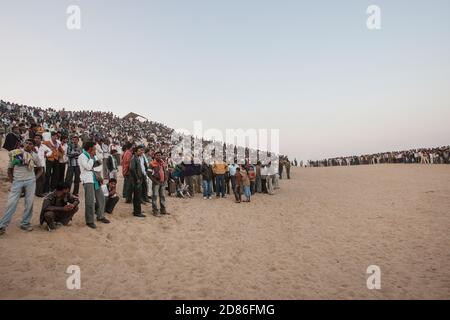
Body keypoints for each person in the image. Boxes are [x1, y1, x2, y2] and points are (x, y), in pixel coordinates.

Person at [0, 139, 43, 235]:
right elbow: (9, 170)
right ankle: (2, 225)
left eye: (30, 144)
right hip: (17, 181)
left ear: (33, 146)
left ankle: (25, 223)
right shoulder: (16, 154)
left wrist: (34, 179)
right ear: (23, 144)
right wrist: (12, 180)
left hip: (30, 181)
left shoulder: (34, 156)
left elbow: (40, 169)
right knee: (11, 203)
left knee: (29, 203)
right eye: (26, 143)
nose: (28, 145)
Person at [79, 141, 110, 229]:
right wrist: (92, 159)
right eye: (94, 149)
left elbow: (99, 166)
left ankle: (100, 216)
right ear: (90, 149)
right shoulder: (82, 156)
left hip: (95, 179)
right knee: (90, 201)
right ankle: (89, 221)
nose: (95, 150)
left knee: (101, 198)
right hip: (87, 180)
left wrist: (99, 177)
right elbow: (88, 167)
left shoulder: (93, 156)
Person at [149, 150, 168, 216]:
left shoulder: (163, 162)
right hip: (156, 182)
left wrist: (166, 178)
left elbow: (165, 171)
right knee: (155, 196)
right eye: (157, 155)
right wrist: (155, 181)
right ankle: (155, 210)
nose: (159, 156)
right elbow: (149, 173)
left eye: (160, 155)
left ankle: (163, 209)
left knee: (162, 196)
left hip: (163, 182)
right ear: (154, 156)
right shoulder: (152, 163)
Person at [129, 146, 146, 217]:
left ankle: (137, 210)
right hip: (136, 180)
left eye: (141, 151)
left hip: (138, 179)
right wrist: (137, 179)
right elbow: (132, 169)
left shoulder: (137, 158)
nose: (141, 152)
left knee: (137, 196)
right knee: (137, 196)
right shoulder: (134, 158)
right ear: (135, 152)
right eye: (139, 151)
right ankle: (137, 212)